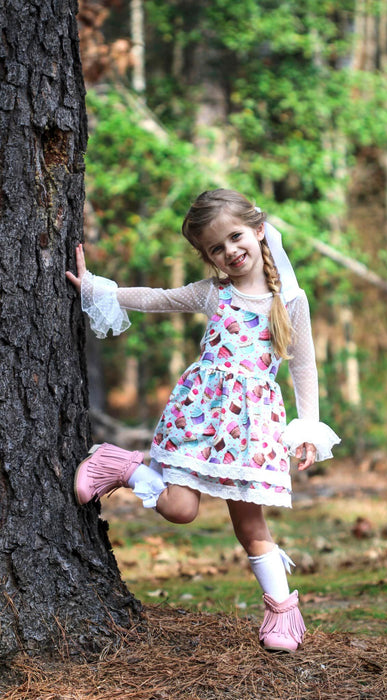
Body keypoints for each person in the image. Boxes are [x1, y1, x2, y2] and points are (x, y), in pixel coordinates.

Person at [66, 188, 340, 653]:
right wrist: (96, 287)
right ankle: (120, 465)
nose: (230, 252)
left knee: (251, 526)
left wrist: (308, 429)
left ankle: (282, 614)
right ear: (208, 256)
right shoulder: (215, 295)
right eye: (217, 248)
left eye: (236, 237)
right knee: (179, 509)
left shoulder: (289, 299)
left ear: (257, 230)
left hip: (252, 431)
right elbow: (157, 298)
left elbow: (303, 367)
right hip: (200, 419)